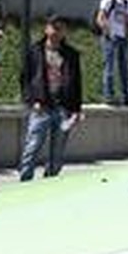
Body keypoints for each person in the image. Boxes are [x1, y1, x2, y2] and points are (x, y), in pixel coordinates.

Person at [19, 13, 83, 180]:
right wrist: (31, 101)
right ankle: (24, 182)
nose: (56, 31)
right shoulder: (35, 51)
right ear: (46, 29)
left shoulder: (71, 54)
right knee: (31, 148)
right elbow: (25, 78)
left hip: (63, 109)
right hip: (41, 107)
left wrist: (76, 110)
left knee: (57, 153)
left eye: (60, 28)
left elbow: (77, 83)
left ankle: (50, 183)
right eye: (53, 27)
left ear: (64, 32)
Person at [96, 0, 128, 106]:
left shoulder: (127, 1)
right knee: (110, 67)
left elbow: (126, 19)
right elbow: (100, 17)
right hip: (110, 37)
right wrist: (107, 32)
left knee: (124, 68)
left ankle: (125, 95)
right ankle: (108, 95)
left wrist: (127, 33)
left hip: (122, 36)